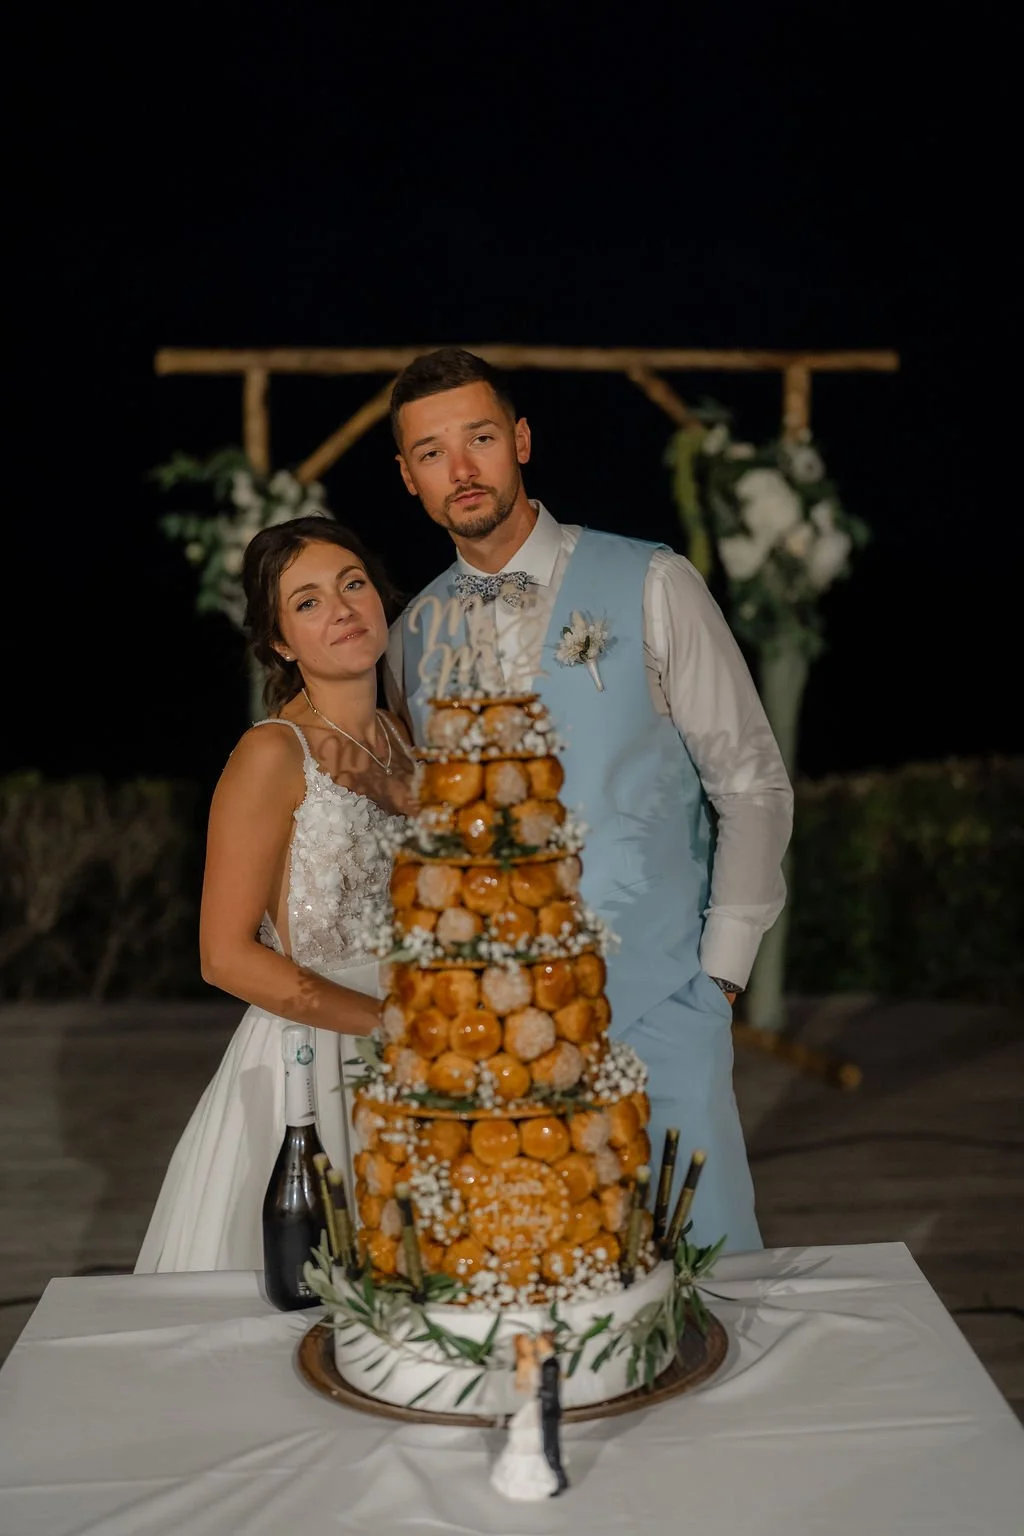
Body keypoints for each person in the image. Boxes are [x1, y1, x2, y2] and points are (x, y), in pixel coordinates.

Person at [385, 348, 793, 1254]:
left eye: (481, 438)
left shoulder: (652, 582)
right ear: (409, 477)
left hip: (661, 1003)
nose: (461, 468)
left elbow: (751, 782)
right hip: (495, 1047)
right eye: (432, 452)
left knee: (705, 1268)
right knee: (532, 1281)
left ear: (522, 441)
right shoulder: (411, 636)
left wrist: (720, 976)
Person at [136, 516, 415, 1274]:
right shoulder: (271, 753)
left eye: (353, 584)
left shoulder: (407, 740)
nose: (343, 609)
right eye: (309, 602)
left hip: (424, 1048)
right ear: (281, 642)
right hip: (314, 1062)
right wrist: (386, 1027)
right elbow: (224, 957)